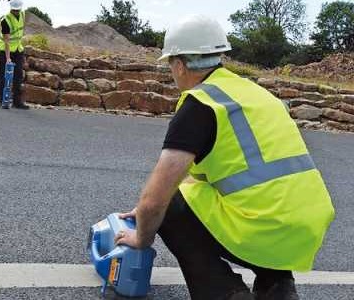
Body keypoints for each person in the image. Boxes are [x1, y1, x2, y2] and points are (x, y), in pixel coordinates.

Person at [114, 15, 335, 300]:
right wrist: (147, 212)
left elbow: (155, 201)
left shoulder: (200, 104)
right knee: (254, 199)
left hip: (266, 231)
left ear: (179, 65)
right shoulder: (254, 93)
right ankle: (277, 285)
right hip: (306, 230)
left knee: (167, 206)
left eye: (170, 64)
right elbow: (221, 174)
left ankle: (224, 292)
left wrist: (141, 235)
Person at [0, 0, 29, 109]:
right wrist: (8, 58)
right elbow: (6, 41)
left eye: (17, 10)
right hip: (5, 49)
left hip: (18, 48)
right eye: (14, 10)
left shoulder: (23, 14)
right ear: (11, 8)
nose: (16, 11)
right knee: (3, 74)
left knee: (18, 74)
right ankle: (2, 100)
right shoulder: (5, 20)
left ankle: (17, 102)